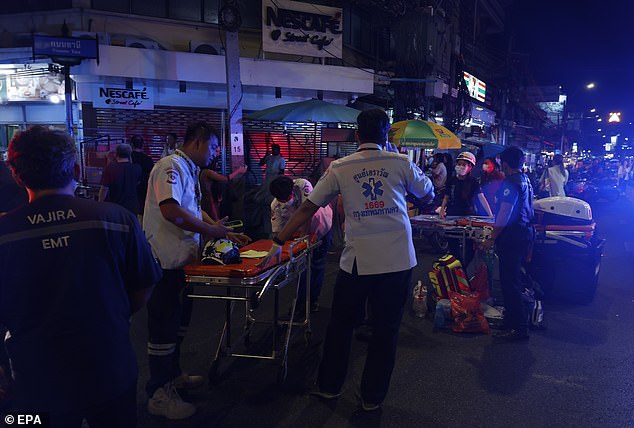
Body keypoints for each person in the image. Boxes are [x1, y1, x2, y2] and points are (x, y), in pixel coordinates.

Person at [258, 109, 434, 411]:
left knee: (341, 325)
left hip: (357, 263)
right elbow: (427, 194)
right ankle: (372, 398)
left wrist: (278, 239)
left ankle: (329, 387)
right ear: (386, 134)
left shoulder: (341, 167)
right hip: (397, 259)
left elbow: (307, 208)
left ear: (356, 135)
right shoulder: (401, 163)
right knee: (386, 330)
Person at [0, 126, 161, 427]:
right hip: (110, 367)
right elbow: (145, 282)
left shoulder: (5, 232)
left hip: (33, 376)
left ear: (16, 174)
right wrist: (116, 313)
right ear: (74, 168)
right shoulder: (116, 220)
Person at [143, 121, 250, 420]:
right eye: (214, 147)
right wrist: (211, 231)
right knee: (163, 330)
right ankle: (158, 393)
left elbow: (190, 208)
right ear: (200, 142)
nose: (216, 153)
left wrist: (220, 231)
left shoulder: (188, 169)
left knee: (179, 325)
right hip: (164, 262)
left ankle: (173, 376)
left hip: (184, 263)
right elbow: (171, 210)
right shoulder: (171, 166)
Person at [481, 146, 534, 342]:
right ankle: (512, 321)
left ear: (504, 163)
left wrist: (491, 238)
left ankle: (519, 328)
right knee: (511, 280)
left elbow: (504, 214)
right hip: (523, 235)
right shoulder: (525, 180)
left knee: (510, 283)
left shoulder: (510, 183)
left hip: (512, 238)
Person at [268, 175, 333, 315]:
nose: (286, 202)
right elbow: (278, 232)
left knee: (317, 266)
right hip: (301, 234)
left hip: (323, 225)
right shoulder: (276, 206)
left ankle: (312, 301)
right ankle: (302, 303)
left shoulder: (303, 185)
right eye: (282, 200)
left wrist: (306, 237)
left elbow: (308, 211)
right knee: (304, 270)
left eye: (287, 198)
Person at [439, 151, 493, 268]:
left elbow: (481, 198)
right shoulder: (451, 180)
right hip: (452, 217)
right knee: (453, 246)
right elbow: (446, 196)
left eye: (464, 165)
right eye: (459, 164)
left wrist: (490, 215)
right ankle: (457, 270)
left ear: (470, 167)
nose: (461, 167)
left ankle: (463, 268)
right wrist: (442, 209)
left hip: (468, 218)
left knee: (469, 248)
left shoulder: (473, 182)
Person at [98, 143, 142, 214]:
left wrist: (100, 204)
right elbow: (137, 184)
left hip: (115, 207)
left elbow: (104, 189)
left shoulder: (110, 168)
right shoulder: (137, 168)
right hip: (132, 207)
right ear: (130, 154)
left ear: (116, 154)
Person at [130, 134, 154, 216]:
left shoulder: (128, 157)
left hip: (130, 191)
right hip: (143, 191)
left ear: (131, 144)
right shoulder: (148, 159)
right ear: (142, 145)